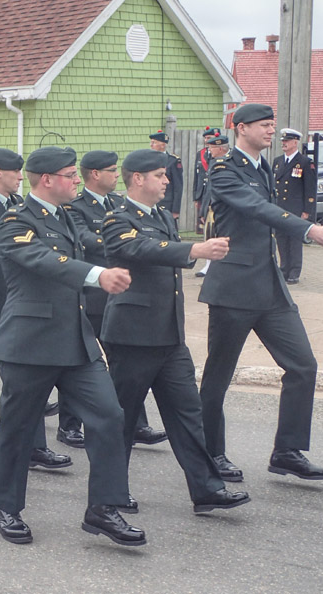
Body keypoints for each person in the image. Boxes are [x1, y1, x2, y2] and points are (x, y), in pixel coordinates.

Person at [0, 146, 143, 547]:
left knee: (109, 417)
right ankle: (7, 508)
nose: (77, 180)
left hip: (75, 343)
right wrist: (97, 276)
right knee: (19, 430)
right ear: (47, 180)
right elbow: (43, 260)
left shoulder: (67, 217)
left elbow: (97, 246)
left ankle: (103, 509)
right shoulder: (15, 220)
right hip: (30, 344)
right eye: (71, 175)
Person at [100, 148, 250, 514]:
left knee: (188, 415)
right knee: (123, 419)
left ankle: (207, 489)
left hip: (169, 336)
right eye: (160, 175)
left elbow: (162, 249)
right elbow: (138, 248)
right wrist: (194, 248)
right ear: (138, 178)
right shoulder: (117, 217)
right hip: (133, 335)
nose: (167, 181)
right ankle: (112, 492)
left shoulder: (163, 217)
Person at [199, 103, 323, 483]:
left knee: (302, 365)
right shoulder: (224, 168)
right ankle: (210, 453)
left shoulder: (267, 166)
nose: (271, 131)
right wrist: (308, 230)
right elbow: (258, 209)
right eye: (264, 125)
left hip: (269, 286)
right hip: (233, 287)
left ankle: (287, 451)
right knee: (218, 376)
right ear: (240, 128)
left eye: (272, 126)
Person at [0, 148, 70, 472]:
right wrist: (32, 243)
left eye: (21, 171)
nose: (21, 176)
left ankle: (35, 447)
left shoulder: (21, 207)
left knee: (26, 380)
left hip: (18, 303)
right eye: (14, 171)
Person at [61, 150, 166, 448]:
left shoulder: (121, 205)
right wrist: (118, 241)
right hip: (92, 293)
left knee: (125, 364)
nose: (115, 174)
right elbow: (81, 238)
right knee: (80, 358)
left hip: (120, 294)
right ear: (94, 174)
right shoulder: (76, 206)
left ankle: (135, 423)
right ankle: (70, 425)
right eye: (111, 170)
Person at [272, 128, 317, 284]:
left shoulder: (304, 162)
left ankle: (294, 272)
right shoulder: (277, 162)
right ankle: (284, 269)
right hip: (280, 208)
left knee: (294, 241)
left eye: (287, 141)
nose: (284, 144)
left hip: (295, 208)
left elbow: (310, 188)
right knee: (281, 239)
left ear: (295, 142)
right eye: (283, 141)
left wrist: (306, 210)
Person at [194, 130, 230, 277]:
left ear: (221, 148)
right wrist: (203, 208)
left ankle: (221, 266)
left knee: (222, 236)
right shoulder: (212, 163)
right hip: (210, 205)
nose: (209, 150)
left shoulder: (229, 163)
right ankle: (208, 265)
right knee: (209, 235)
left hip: (223, 207)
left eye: (212, 148)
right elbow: (207, 187)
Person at [149, 131, 183, 219]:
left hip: (166, 204)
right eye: (151, 142)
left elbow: (178, 187)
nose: (151, 145)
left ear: (163, 145)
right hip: (151, 203)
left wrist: (175, 210)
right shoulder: (148, 160)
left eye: (154, 143)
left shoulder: (173, 161)